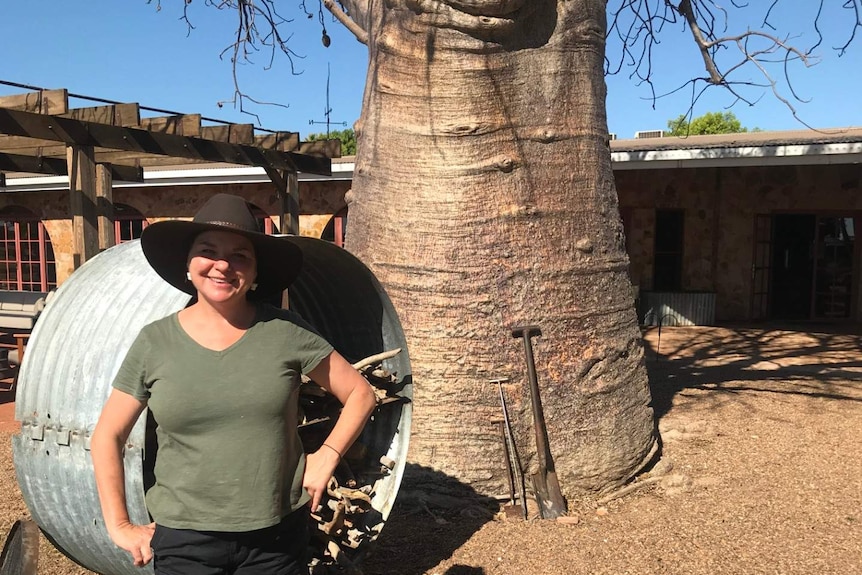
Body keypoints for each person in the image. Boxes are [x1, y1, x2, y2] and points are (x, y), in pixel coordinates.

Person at [91, 193, 377, 575]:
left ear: (255, 273)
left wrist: (326, 457)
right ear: (188, 266)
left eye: (240, 255)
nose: (222, 265)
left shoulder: (286, 333)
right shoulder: (154, 342)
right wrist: (120, 526)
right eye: (208, 251)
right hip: (185, 540)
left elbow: (360, 393)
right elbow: (107, 435)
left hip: (275, 540)